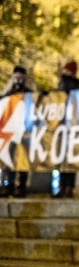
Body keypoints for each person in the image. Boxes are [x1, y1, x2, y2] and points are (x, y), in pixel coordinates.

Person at [0, 66, 32, 198]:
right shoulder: (8, 93)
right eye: (16, 78)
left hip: (24, 131)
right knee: (9, 159)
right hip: (10, 130)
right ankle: (9, 185)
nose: (18, 80)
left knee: (23, 159)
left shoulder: (29, 93)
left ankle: (22, 186)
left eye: (20, 78)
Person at [55, 60, 79, 198]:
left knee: (71, 160)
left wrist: (65, 79)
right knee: (61, 159)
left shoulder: (74, 85)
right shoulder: (61, 85)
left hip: (72, 127)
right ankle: (61, 186)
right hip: (61, 127)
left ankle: (69, 187)